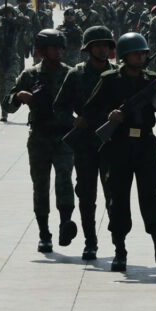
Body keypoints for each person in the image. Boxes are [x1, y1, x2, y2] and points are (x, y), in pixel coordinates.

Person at [83, 32, 156, 272]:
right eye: (135, 54)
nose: (140, 57)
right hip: (118, 145)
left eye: (143, 53)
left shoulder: (153, 80)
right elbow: (90, 111)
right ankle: (120, 251)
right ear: (125, 56)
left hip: (145, 145)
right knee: (118, 199)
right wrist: (110, 115)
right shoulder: (109, 80)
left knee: (151, 196)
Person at [53, 25, 116, 261]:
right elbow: (59, 107)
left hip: (110, 143)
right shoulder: (76, 74)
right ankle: (90, 242)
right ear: (88, 49)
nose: (102, 50)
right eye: (97, 46)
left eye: (106, 46)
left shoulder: (117, 74)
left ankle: (118, 241)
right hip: (86, 144)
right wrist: (73, 121)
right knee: (87, 196)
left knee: (114, 195)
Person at [8, 29, 74, 254]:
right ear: (43, 50)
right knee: (41, 185)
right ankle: (44, 234)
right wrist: (18, 97)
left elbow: (83, 101)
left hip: (64, 137)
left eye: (60, 47)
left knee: (64, 179)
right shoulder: (30, 75)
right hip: (39, 137)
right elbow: (8, 103)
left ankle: (65, 224)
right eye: (54, 47)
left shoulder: (70, 74)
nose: (58, 51)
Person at [0, 4, 24, 122]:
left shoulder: (16, 25)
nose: (7, 16)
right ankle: (4, 112)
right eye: (4, 14)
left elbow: (26, 21)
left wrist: (14, 16)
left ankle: (12, 104)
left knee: (10, 81)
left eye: (9, 13)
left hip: (13, 59)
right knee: (2, 88)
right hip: (0, 60)